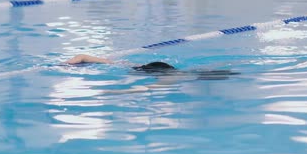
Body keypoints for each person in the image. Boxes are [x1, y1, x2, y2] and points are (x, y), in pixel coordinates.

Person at [65, 53, 240, 94]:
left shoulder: (174, 74)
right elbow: (147, 88)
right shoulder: (174, 76)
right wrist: (115, 92)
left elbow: (86, 57)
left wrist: (78, 58)